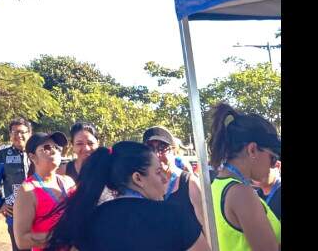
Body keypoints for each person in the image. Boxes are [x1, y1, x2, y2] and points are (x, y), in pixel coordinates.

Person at [45, 142, 209, 251]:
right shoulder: (175, 216)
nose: (165, 179)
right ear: (138, 178)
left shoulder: (87, 220)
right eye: (158, 172)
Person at [207, 104, 281, 251]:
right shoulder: (241, 193)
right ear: (252, 150)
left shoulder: (216, 185)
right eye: (272, 158)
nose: (273, 166)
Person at [144, 126, 208, 243]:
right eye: (150, 149)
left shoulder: (189, 183)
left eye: (162, 148)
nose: (156, 155)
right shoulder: (143, 185)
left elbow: (207, 228)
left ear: (174, 151)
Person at [11, 132, 75, 250]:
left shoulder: (69, 182)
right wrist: (59, 237)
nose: (54, 151)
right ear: (32, 157)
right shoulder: (27, 191)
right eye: (46, 147)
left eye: (57, 147)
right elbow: (21, 240)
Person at [0, 119, 33, 251]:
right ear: (10, 135)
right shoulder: (1, 157)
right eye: (14, 132)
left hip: (41, 215)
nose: (18, 135)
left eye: (22, 132)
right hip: (16, 218)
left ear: (30, 133)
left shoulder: (39, 153)